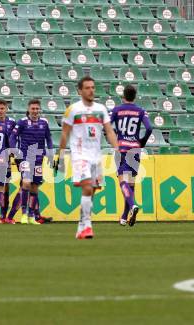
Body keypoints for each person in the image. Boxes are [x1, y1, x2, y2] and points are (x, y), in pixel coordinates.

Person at [57, 76, 118, 240]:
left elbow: (109, 131)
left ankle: (81, 226)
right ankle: (88, 226)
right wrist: (60, 154)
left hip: (95, 156)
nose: (91, 90)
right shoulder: (73, 110)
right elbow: (65, 133)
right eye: (87, 88)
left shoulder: (101, 109)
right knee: (88, 188)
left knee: (93, 191)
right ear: (80, 90)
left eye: (93, 87)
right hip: (79, 155)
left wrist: (117, 147)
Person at [111, 85, 152, 227]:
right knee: (131, 184)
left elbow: (107, 126)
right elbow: (149, 128)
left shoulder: (117, 110)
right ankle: (124, 217)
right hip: (135, 149)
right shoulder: (141, 111)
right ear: (135, 96)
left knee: (122, 181)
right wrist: (142, 142)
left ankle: (133, 205)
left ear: (123, 96)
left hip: (121, 149)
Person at [10, 99, 54, 225]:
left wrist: (50, 153)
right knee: (26, 183)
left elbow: (49, 138)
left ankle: (31, 216)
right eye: (33, 109)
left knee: (35, 187)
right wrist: (14, 150)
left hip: (39, 158)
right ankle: (23, 214)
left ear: (39, 109)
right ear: (29, 109)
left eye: (37, 109)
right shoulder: (22, 122)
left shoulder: (44, 123)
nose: (35, 111)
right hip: (25, 157)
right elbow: (13, 136)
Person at [0, 100, 16, 222]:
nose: (0, 111)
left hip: (6, 159)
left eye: (2, 108)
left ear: (6, 109)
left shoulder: (12, 122)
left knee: (5, 186)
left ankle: (3, 215)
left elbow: (14, 138)